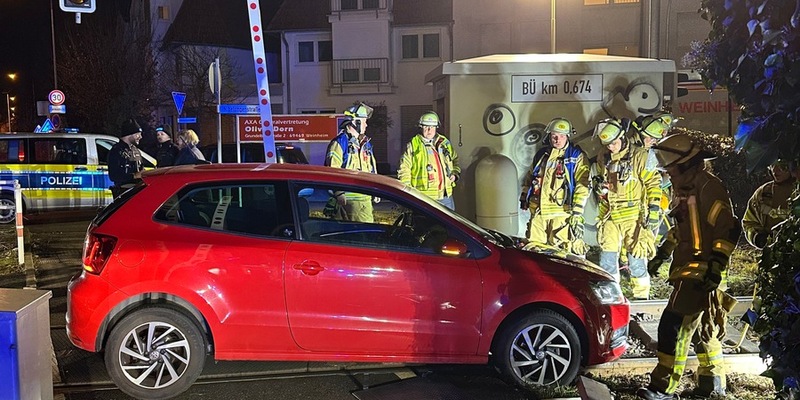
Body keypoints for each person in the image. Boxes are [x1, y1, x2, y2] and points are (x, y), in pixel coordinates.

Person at [637, 134, 739, 400]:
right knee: (705, 328)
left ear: (685, 165)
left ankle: (663, 388)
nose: (667, 172)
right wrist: (663, 253)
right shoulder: (684, 189)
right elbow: (683, 228)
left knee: (673, 326)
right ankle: (712, 381)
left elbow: (727, 228)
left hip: (703, 270)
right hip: (690, 268)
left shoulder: (708, 187)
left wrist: (716, 265)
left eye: (670, 167)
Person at [592, 117, 661, 299]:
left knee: (636, 258)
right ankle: (611, 297)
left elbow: (654, 183)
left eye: (614, 143)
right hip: (610, 216)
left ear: (623, 137)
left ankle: (641, 297)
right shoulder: (604, 157)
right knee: (607, 258)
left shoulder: (640, 156)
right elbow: (603, 185)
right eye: (607, 144)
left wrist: (654, 210)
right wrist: (600, 188)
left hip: (633, 217)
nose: (611, 147)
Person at [519, 117, 590, 255]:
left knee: (561, 254)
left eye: (561, 136)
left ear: (568, 136)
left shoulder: (575, 156)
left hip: (561, 214)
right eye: (554, 136)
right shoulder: (541, 155)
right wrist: (524, 197)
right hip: (539, 212)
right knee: (535, 251)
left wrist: (577, 212)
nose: (557, 140)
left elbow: (583, 184)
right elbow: (531, 177)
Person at [324, 103, 378, 222]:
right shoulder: (339, 143)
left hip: (365, 201)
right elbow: (332, 171)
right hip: (348, 202)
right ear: (355, 122)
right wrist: (338, 193)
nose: (366, 124)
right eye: (364, 121)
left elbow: (371, 170)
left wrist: (377, 189)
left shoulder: (366, 144)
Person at [397, 111, 461, 209]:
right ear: (421, 127)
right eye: (426, 126)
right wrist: (408, 193)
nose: (429, 130)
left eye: (432, 127)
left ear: (436, 127)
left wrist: (455, 173)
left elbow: (455, 160)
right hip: (424, 197)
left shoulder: (444, 143)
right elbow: (404, 170)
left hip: (445, 196)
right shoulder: (413, 145)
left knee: (448, 224)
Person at [742, 158, 798, 249]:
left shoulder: (797, 191)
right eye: (772, 165)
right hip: (773, 257)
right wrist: (758, 238)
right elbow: (748, 223)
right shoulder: (763, 193)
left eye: (781, 165)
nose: (775, 170)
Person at [108, 117, 144, 199]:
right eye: (138, 134)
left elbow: (141, 169)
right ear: (129, 134)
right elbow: (113, 176)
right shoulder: (116, 151)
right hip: (123, 192)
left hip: (137, 190)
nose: (140, 137)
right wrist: (134, 176)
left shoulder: (135, 150)